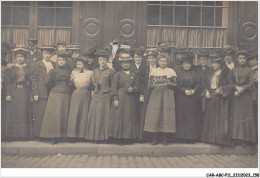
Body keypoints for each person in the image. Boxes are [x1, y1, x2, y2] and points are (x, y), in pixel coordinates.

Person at [144, 54, 177, 146]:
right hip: (156, 94)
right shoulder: (154, 71)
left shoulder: (171, 71)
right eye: (161, 61)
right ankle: (154, 138)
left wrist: (168, 82)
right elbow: (149, 85)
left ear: (167, 62)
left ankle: (165, 138)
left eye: (165, 61)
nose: (163, 63)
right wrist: (155, 83)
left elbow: (175, 84)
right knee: (155, 115)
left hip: (167, 94)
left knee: (166, 115)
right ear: (158, 62)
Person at [201, 53, 233, 146]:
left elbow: (231, 85)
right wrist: (206, 91)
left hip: (221, 98)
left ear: (220, 63)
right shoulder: (210, 72)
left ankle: (220, 139)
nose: (213, 65)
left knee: (220, 118)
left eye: (215, 63)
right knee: (210, 117)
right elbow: (204, 84)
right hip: (210, 97)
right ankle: (210, 138)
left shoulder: (227, 72)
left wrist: (221, 89)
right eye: (212, 63)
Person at [40, 51, 71, 144]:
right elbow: (47, 82)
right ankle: (53, 137)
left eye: (63, 60)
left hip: (66, 94)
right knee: (55, 116)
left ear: (66, 61)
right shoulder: (53, 71)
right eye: (60, 60)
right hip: (55, 95)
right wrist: (55, 87)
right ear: (57, 61)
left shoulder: (69, 71)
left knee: (64, 115)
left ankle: (63, 136)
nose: (61, 62)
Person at [109, 53, 140, 145]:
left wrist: (133, 89)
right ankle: (119, 138)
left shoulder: (134, 74)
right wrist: (115, 99)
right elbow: (114, 87)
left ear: (130, 64)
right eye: (124, 63)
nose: (126, 65)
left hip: (130, 99)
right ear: (121, 64)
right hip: (121, 97)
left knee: (129, 117)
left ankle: (128, 137)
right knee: (120, 117)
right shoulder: (117, 74)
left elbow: (137, 86)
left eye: (127, 63)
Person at [4, 45, 33, 140]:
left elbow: (32, 81)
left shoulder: (29, 68)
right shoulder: (11, 69)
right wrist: (8, 94)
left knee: (24, 112)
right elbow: (7, 82)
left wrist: (31, 94)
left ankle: (24, 135)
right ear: (16, 58)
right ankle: (13, 135)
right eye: (18, 57)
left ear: (25, 58)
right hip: (14, 93)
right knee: (14, 112)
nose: (20, 59)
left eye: (22, 57)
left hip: (25, 92)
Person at [85, 50, 114, 142]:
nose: (102, 61)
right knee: (95, 115)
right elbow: (92, 82)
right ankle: (94, 137)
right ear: (98, 61)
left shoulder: (111, 71)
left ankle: (105, 137)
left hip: (106, 95)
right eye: (101, 59)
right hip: (97, 95)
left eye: (104, 60)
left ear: (106, 61)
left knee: (105, 116)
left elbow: (113, 84)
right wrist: (93, 90)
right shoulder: (95, 71)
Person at [230, 50, 257, 146]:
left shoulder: (249, 70)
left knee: (245, 116)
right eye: (240, 58)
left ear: (246, 60)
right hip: (236, 95)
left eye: (244, 58)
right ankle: (236, 138)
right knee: (237, 116)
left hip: (246, 97)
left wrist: (243, 89)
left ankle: (246, 139)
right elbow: (231, 82)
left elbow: (251, 83)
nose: (242, 60)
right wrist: (236, 88)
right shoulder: (234, 70)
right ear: (237, 59)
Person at [30, 45, 56, 140]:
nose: (47, 56)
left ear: (52, 54)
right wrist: (35, 93)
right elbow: (33, 79)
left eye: (49, 54)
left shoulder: (54, 64)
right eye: (45, 53)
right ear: (42, 54)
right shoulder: (38, 64)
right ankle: (38, 135)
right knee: (39, 114)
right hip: (41, 93)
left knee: (49, 115)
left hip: (52, 93)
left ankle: (48, 135)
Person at [175, 53, 201, 143]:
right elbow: (176, 84)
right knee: (181, 117)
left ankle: (191, 137)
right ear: (182, 64)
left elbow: (198, 83)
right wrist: (183, 91)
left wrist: (194, 90)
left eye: (189, 63)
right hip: (181, 97)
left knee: (191, 117)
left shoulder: (194, 72)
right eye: (185, 63)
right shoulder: (178, 71)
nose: (187, 65)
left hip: (192, 98)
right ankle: (181, 137)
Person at [67, 57, 93, 141]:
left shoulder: (90, 73)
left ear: (84, 64)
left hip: (86, 94)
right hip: (76, 95)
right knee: (75, 114)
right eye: (77, 64)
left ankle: (84, 135)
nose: (78, 66)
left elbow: (94, 84)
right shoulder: (73, 73)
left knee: (84, 114)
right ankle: (74, 135)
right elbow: (69, 83)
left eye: (80, 64)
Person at [139, 48, 158, 141]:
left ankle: (155, 136)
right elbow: (141, 83)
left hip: (157, 93)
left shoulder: (159, 68)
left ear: (156, 59)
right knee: (145, 113)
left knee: (155, 113)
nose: (151, 60)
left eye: (153, 58)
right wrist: (141, 94)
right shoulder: (144, 69)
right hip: (147, 92)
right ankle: (144, 137)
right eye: (150, 58)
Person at [130, 47, 146, 141]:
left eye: (139, 57)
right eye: (136, 57)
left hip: (141, 94)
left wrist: (142, 94)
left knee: (140, 114)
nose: (138, 59)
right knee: (132, 114)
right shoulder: (131, 67)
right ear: (133, 58)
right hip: (132, 94)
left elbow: (144, 83)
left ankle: (140, 136)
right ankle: (132, 135)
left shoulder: (145, 67)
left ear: (142, 58)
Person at [247, 51, 258, 134]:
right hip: (248, 95)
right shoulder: (247, 70)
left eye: (253, 60)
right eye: (250, 60)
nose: (251, 62)